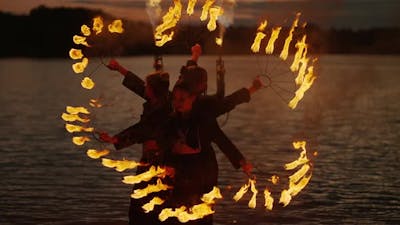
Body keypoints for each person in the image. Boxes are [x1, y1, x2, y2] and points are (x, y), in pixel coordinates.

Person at [100, 56, 171, 225]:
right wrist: (119, 69)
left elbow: (141, 130)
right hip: (151, 161)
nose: (144, 87)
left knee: (142, 209)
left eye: (148, 86)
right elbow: (139, 86)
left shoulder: (162, 110)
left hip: (156, 163)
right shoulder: (158, 101)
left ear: (153, 91)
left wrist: (114, 139)